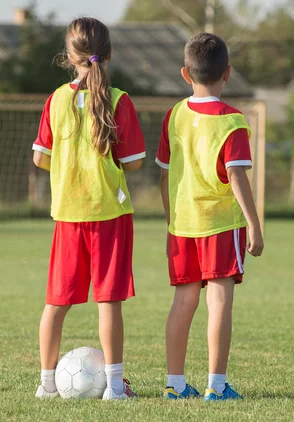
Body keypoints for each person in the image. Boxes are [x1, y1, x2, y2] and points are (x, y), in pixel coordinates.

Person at [32, 17, 146, 400]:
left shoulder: (56, 99)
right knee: (108, 302)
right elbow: (133, 163)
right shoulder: (120, 100)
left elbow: (39, 158)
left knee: (56, 302)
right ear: (108, 54)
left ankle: (46, 386)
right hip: (109, 216)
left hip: (68, 214)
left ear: (69, 56)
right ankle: (114, 387)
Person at [156, 33, 264, 401]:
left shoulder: (174, 115)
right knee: (219, 302)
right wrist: (254, 224)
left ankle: (175, 384)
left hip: (182, 225)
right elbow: (236, 176)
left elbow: (164, 173)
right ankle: (216, 387)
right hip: (220, 224)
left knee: (182, 302)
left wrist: (171, 216)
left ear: (186, 74)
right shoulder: (232, 120)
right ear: (227, 73)